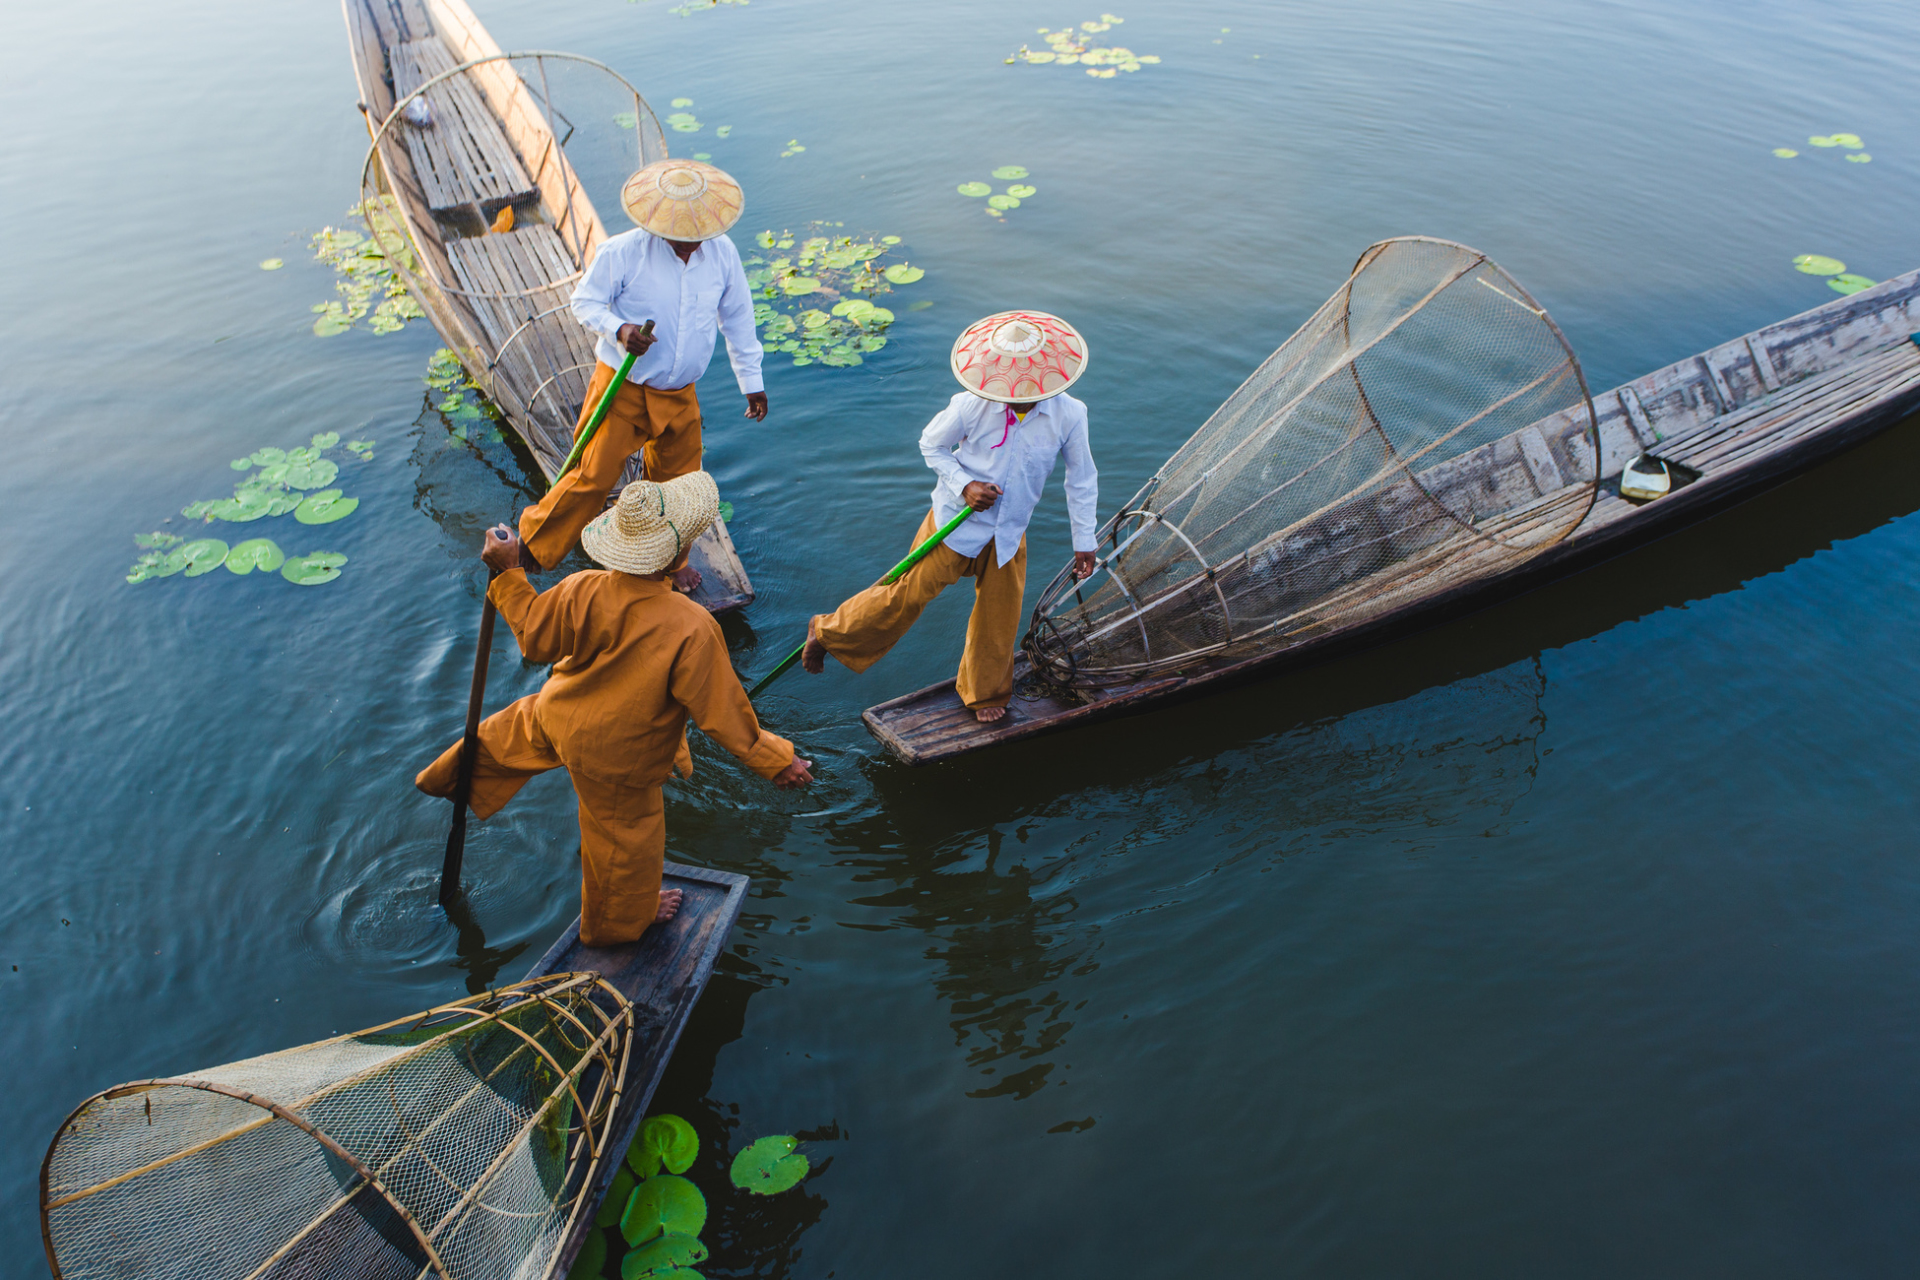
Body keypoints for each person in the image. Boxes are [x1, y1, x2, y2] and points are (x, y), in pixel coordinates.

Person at [420, 471, 812, 945]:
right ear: (677, 556)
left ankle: (447, 778)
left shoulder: (583, 587)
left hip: (556, 714)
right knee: (624, 844)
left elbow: (534, 638)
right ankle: (619, 922)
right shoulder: (692, 626)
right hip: (617, 759)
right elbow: (723, 716)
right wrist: (776, 760)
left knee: (506, 736)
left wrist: (507, 573)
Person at [801, 311, 1099, 723]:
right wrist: (965, 486)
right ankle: (827, 631)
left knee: (999, 618)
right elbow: (931, 445)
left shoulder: (1070, 414)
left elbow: (1081, 478)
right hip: (953, 523)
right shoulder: (972, 404)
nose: (1016, 395)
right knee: (906, 595)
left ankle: (983, 692)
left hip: (1009, 532)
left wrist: (1084, 538)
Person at [516, 160, 767, 590]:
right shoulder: (624, 251)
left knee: (681, 485)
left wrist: (753, 382)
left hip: (680, 393)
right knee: (593, 474)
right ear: (661, 223)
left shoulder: (723, 254)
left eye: (697, 235)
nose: (689, 244)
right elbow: (585, 302)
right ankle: (531, 548)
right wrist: (620, 330)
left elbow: (738, 318)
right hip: (625, 388)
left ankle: (669, 564)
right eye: (680, 236)